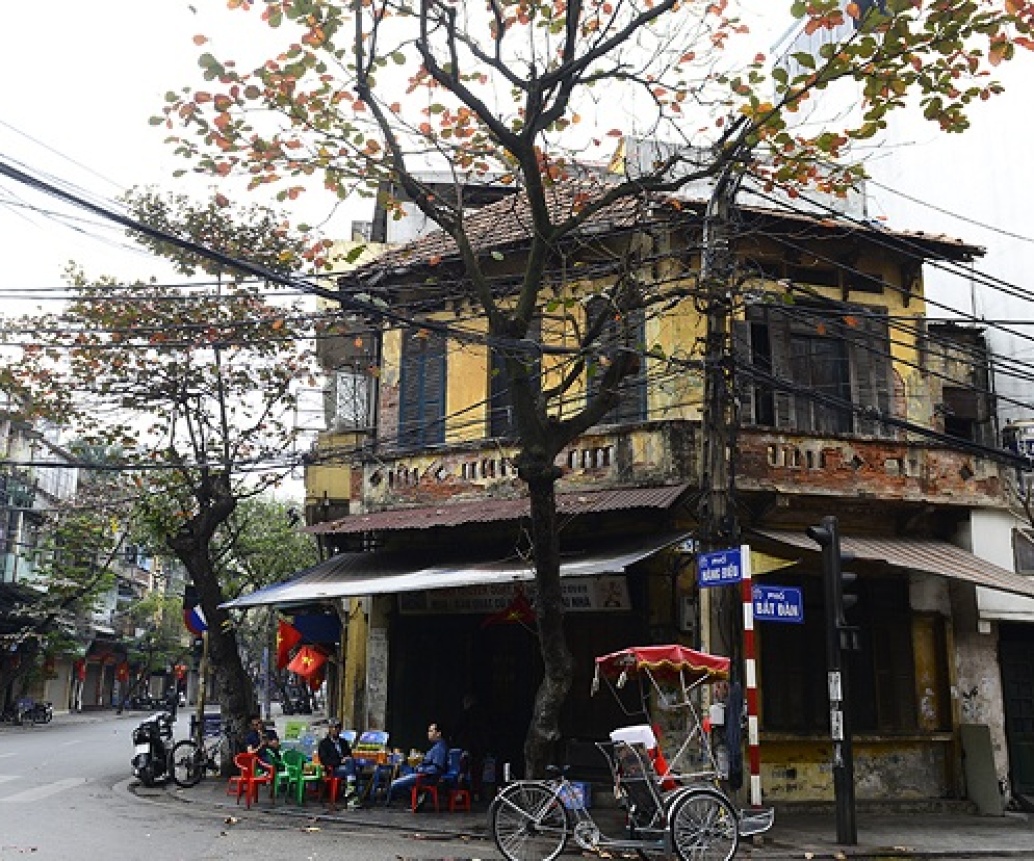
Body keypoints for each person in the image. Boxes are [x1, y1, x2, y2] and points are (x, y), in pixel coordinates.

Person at [388, 721, 449, 808]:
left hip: (426, 777)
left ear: (438, 733)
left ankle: (416, 797)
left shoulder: (440, 748)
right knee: (404, 768)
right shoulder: (436, 747)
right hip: (423, 773)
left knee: (394, 785)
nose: (429, 733)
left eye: (431, 731)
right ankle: (417, 796)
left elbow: (436, 769)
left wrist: (420, 769)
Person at [317, 718, 359, 809]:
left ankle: (350, 791)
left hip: (347, 766)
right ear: (329, 729)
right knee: (352, 770)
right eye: (333, 728)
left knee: (353, 765)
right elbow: (324, 760)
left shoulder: (343, 742)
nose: (335, 730)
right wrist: (340, 761)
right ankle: (350, 794)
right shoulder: (324, 744)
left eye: (337, 728)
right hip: (334, 768)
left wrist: (347, 759)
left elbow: (349, 754)